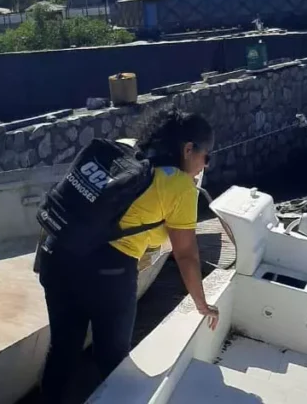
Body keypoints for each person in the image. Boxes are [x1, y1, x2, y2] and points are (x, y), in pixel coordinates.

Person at [37, 107, 221, 403]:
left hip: (56, 252)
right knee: (112, 359)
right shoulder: (180, 187)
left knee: (63, 348)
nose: (205, 165)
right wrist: (203, 304)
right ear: (189, 149)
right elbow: (185, 254)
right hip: (107, 274)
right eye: (206, 156)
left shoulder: (127, 155)